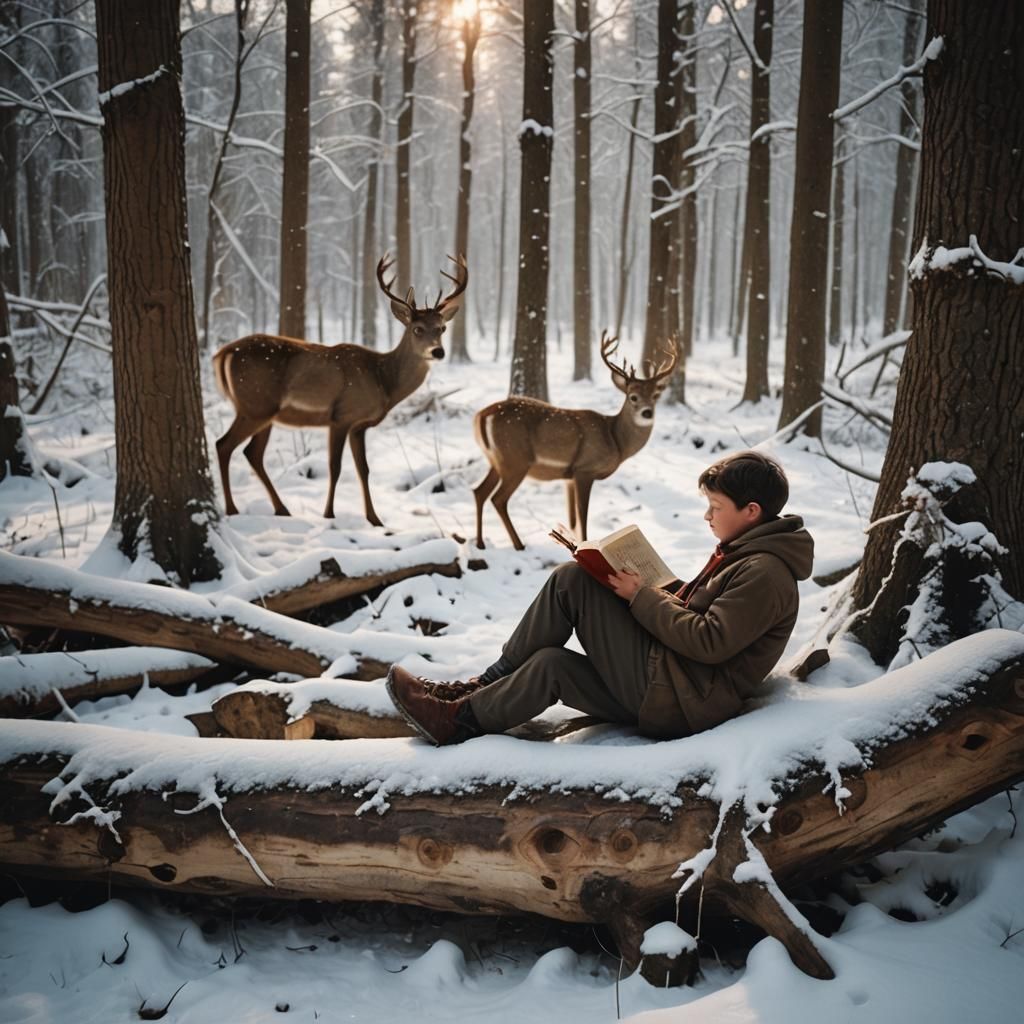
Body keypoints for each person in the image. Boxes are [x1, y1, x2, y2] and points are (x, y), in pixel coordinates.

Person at [386, 450, 814, 745]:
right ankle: (458, 718)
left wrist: (642, 596)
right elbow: (706, 617)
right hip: (674, 691)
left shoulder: (765, 572)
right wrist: (656, 587)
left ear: (751, 511)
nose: (707, 516)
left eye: (716, 507)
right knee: (551, 665)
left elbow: (709, 642)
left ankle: (479, 687)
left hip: (682, 698)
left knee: (573, 580)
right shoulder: (747, 553)